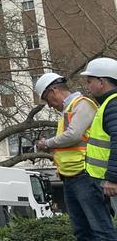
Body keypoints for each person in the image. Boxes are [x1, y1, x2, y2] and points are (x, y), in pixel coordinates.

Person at [33, 72, 103, 240]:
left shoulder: (82, 105)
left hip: (84, 174)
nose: (49, 105)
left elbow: (73, 135)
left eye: (47, 99)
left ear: (54, 91)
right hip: (70, 177)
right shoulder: (69, 111)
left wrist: (47, 144)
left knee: (99, 228)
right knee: (82, 230)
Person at [83, 56, 117, 240]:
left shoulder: (113, 105)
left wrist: (112, 178)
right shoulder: (108, 104)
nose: (87, 87)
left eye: (89, 82)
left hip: (110, 182)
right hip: (103, 180)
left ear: (101, 81)